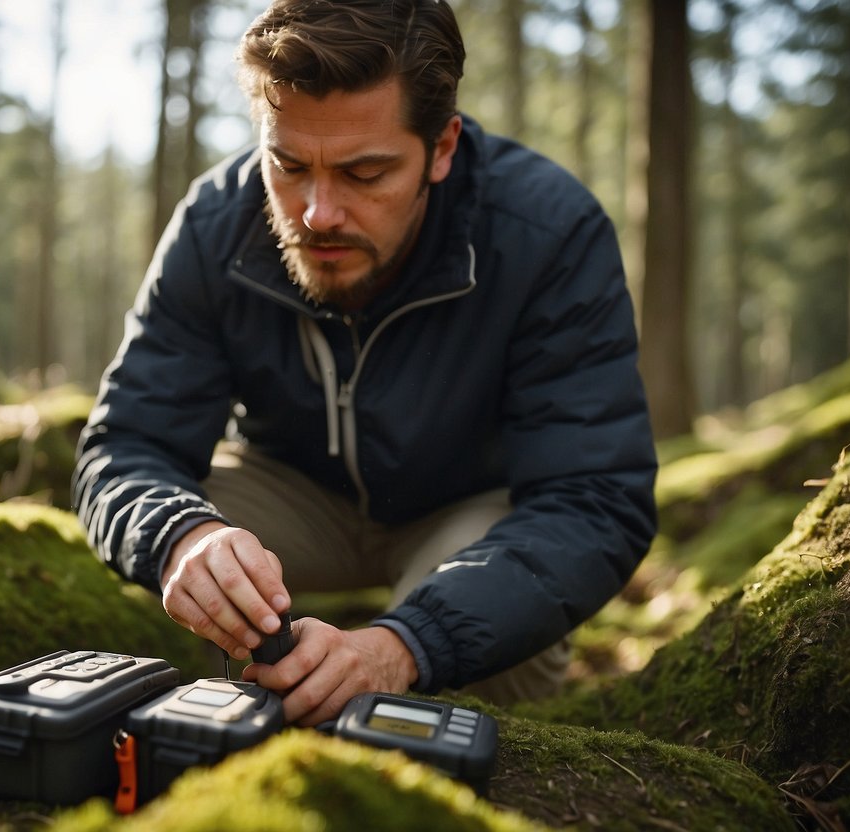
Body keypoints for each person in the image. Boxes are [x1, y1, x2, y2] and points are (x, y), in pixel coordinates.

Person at [72, 0, 657, 727]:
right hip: (291, 496)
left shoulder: (548, 232)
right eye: (288, 164)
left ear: (441, 148)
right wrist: (181, 536)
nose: (317, 213)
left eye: (365, 172)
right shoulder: (213, 224)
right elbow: (125, 446)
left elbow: (594, 498)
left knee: (496, 655)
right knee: (166, 562)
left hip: (466, 514)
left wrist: (402, 645)